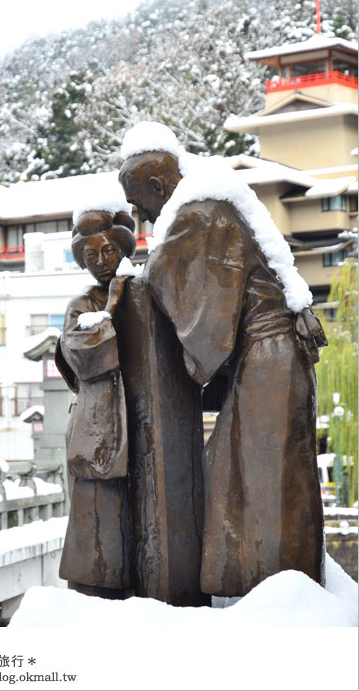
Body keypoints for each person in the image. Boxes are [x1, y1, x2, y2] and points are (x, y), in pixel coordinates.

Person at [118, 121, 327, 597]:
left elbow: (179, 294)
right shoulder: (210, 203)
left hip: (268, 357)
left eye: (137, 202)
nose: (137, 214)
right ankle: (273, 587)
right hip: (271, 357)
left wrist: (133, 285)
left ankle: (282, 591)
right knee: (247, 470)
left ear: (157, 186)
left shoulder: (199, 213)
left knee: (264, 476)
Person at [54, 206, 136, 599]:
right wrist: (111, 310)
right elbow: (84, 358)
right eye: (91, 256)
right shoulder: (82, 305)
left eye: (108, 252)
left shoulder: (141, 292)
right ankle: (90, 597)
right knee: (96, 520)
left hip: (139, 424)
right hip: (97, 427)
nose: (102, 262)